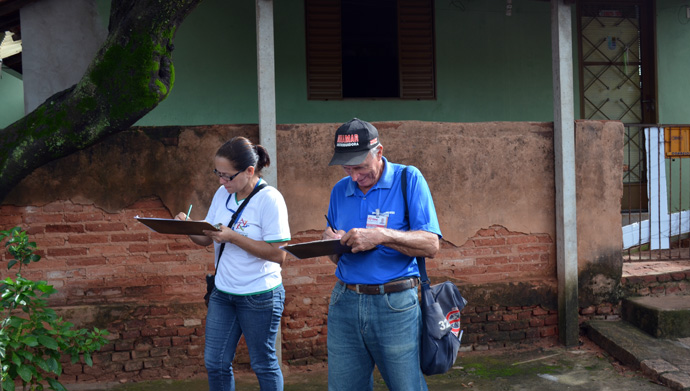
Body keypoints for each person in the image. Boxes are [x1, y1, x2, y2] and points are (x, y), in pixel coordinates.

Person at [322, 118, 442, 391]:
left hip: (395, 304)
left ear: (379, 152)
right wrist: (330, 242)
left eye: (361, 167)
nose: (353, 176)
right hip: (345, 302)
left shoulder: (408, 179)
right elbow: (335, 254)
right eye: (347, 168)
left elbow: (431, 245)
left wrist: (381, 236)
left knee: (406, 386)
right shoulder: (340, 190)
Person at [175, 136, 290, 391]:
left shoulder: (270, 199)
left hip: (260, 295)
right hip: (223, 293)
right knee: (215, 363)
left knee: (262, 364)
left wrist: (234, 237)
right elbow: (206, 239)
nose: (221, 181)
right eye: (218, 173)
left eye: (227, 175)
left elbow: (278, 254)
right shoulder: (222, 194)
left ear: (250, 171)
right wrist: (187, 227)